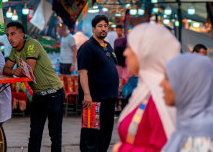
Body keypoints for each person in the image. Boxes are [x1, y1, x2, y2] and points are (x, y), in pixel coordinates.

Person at [112, 22, 180, 152]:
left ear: (145, 52)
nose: (125, 53)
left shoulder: (162, 94)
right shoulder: (146, 90)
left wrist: (122, 149)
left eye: (130, 48)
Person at [3, 21, 64, 152]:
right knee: (35, 133)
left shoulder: (32, 44)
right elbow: (5, 69)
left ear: (22, 35)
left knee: (55, 134)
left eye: (13, 34)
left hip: (54, 93)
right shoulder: (15, 51)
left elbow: (28, 71)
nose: (10, 38)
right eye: (7, 35)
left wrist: (18, 70)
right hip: (38, 95)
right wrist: (14, 71)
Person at [77, 15, 119, 152]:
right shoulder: (87, 47)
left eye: (105, 26)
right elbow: (83, 73)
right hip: (93, 99)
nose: (103, 29)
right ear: (93, 28)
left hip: (109, 98)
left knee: (106, 132)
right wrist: (87, 95)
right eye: (100, 26)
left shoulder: (107, 46)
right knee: (91, 131)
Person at [161, 53, 213, 151]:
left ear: (188, 84)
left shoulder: (202, 134)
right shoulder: (185, 127)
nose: (161, 83)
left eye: (168, 79)